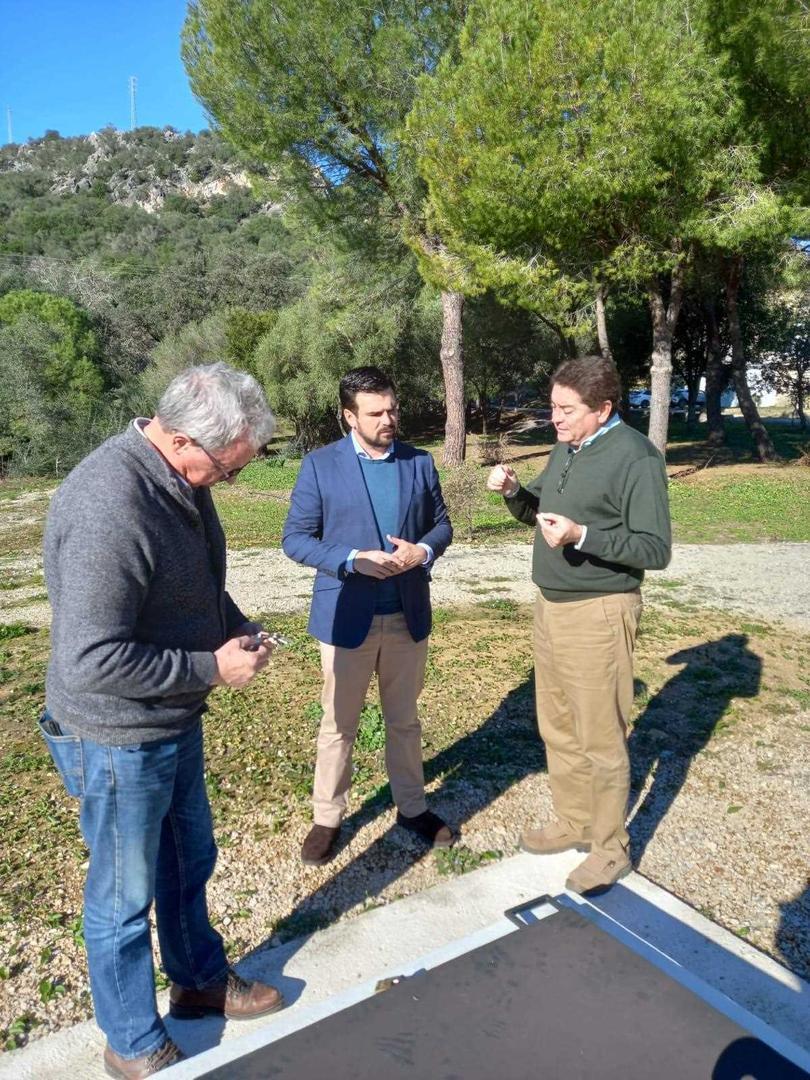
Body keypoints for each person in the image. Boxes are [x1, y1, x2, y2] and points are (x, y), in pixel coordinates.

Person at [41, 363, 283, 1079]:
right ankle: (131, 1041)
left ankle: (198, 979)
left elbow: (192, 579)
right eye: (226, 471)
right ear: (179, 441)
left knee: (188, 864)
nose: (227, 485)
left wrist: (233, 623)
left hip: (172, 720)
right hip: (114, 737)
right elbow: (90, 660)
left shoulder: (179, 478)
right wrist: (212, 668)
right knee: (122, 899)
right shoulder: (110, 505)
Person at [487, 356, 671, 896]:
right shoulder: (569, 445)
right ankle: (574, 820)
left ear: (604, 408)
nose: (555, 419)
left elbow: (654, 549)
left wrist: (583, 535)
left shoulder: (637, 458)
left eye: (566, 410)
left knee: (600, 738)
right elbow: (541, 512)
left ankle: (610, 848)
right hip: (552, 607)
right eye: (553, 407)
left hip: (600, 613)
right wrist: (515, 493)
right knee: (559, 725)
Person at [282, 366, 454, 866]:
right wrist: (350, 560)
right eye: (376, 412)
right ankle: (327, 817)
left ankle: (412, 807)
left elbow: (441, 525)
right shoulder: (320, 466)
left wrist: (422, 551)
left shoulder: (419, 462)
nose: (389, 419)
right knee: (339, 724)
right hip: (345, 618)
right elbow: (296, 538)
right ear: (348, 417)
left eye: (393, 409)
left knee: (404, 721)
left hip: (406, 615)